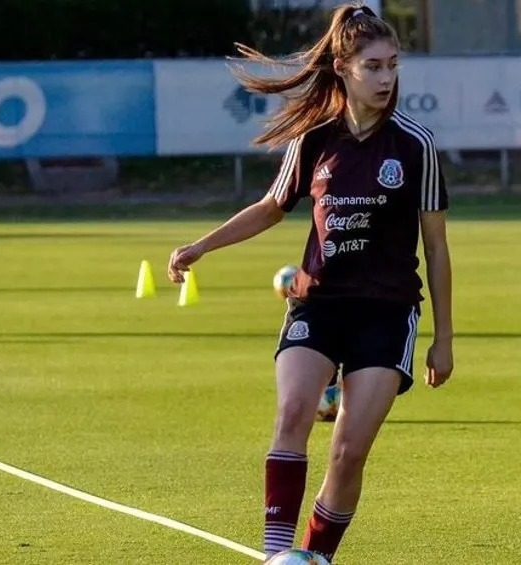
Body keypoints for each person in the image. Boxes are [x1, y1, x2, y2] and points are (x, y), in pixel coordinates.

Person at [165, 3, 455, 562]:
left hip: (386, 313)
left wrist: (443, 339)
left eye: (393, 65)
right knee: (294, 413)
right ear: (343, 68)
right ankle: (277, 555)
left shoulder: (415, 144)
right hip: (316, 305)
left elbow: (437, 249)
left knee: (347, 453)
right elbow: (271, 207)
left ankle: (317, 556)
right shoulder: (314, 140)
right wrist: (202, 245)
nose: (386, 78)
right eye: (373, 66)